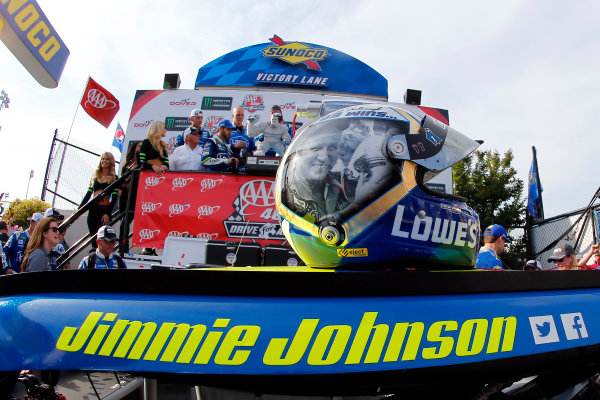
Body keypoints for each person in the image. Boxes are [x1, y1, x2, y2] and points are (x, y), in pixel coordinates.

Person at [80, 152, 119, 249]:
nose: (104, 161)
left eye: (106, 159)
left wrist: (107, 213)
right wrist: (79, 209)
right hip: (93, 209)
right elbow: (88, 194)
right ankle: (94, 255)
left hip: (104, 209)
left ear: (111, 162)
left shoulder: (114, 178)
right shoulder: (95, 176)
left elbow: (114, 199)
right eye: (102, 159)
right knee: (93, 236)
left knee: (101, 235)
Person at [119, 141, 141, 253]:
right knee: (124, 223)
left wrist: (130, 183)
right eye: (139, 146)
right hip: (124, 197)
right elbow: (121, 182)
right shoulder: (127, 164)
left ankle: (125, 248)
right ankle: (123, 248)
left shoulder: (142, 164)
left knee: (130, 222)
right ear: (133, 148)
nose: (141, 148)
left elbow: (140, 180)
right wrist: (125, 183)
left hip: (135, 197)